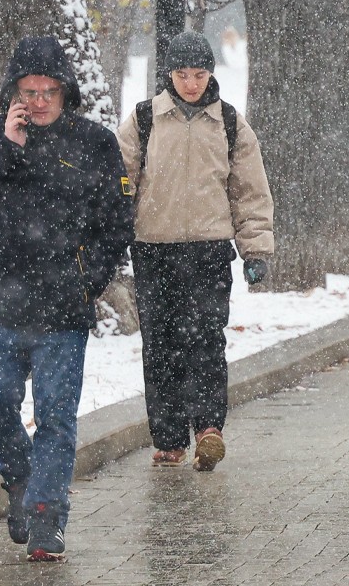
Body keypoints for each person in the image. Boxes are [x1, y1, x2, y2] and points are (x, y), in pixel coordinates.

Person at [0, 36, 134, 562]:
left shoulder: (93, 143)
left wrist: (85, 279)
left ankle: (47, 516)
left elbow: (117, 221)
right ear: (13, 93)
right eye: (31, 91)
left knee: (56, 416)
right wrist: (8, 146)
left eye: (51, 90)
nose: (41, 100)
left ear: (66, 92)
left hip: (62, 310)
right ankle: (21, 477)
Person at [115, 31, 274, 472]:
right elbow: (119, 184)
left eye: (199, 74)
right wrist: (111, 238)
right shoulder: (144, 120)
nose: (190, 83)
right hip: (154, 250)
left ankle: (208, 429)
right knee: (161, 347)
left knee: (205, 340)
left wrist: (255, 250)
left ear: (211, 74)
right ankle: (168, 439)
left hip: (208, 252)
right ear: (169, 75)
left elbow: (250, 192)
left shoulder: (228, 124)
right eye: (182, 75)